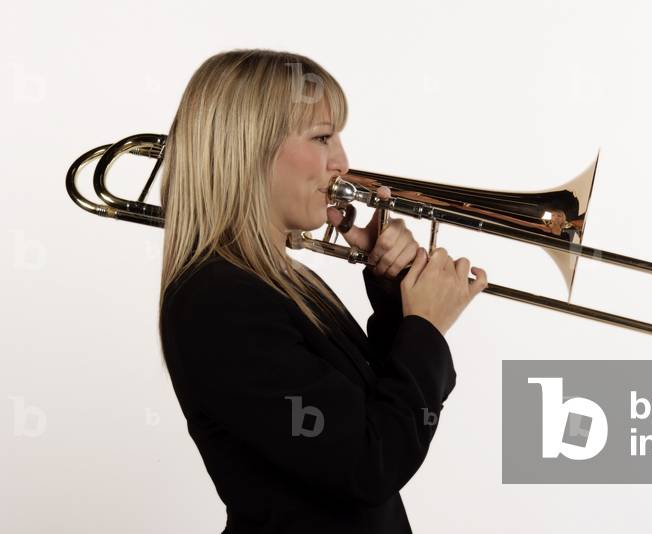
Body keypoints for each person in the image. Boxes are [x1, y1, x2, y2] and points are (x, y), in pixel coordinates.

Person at [158, 49, 487, 533]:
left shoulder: (281, 280)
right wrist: (426, 329)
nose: (343, 162)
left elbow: (376, 404)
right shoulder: (218, 301)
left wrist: (395, 291)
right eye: (322, 137)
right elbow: (370, 462)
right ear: (249, 149)